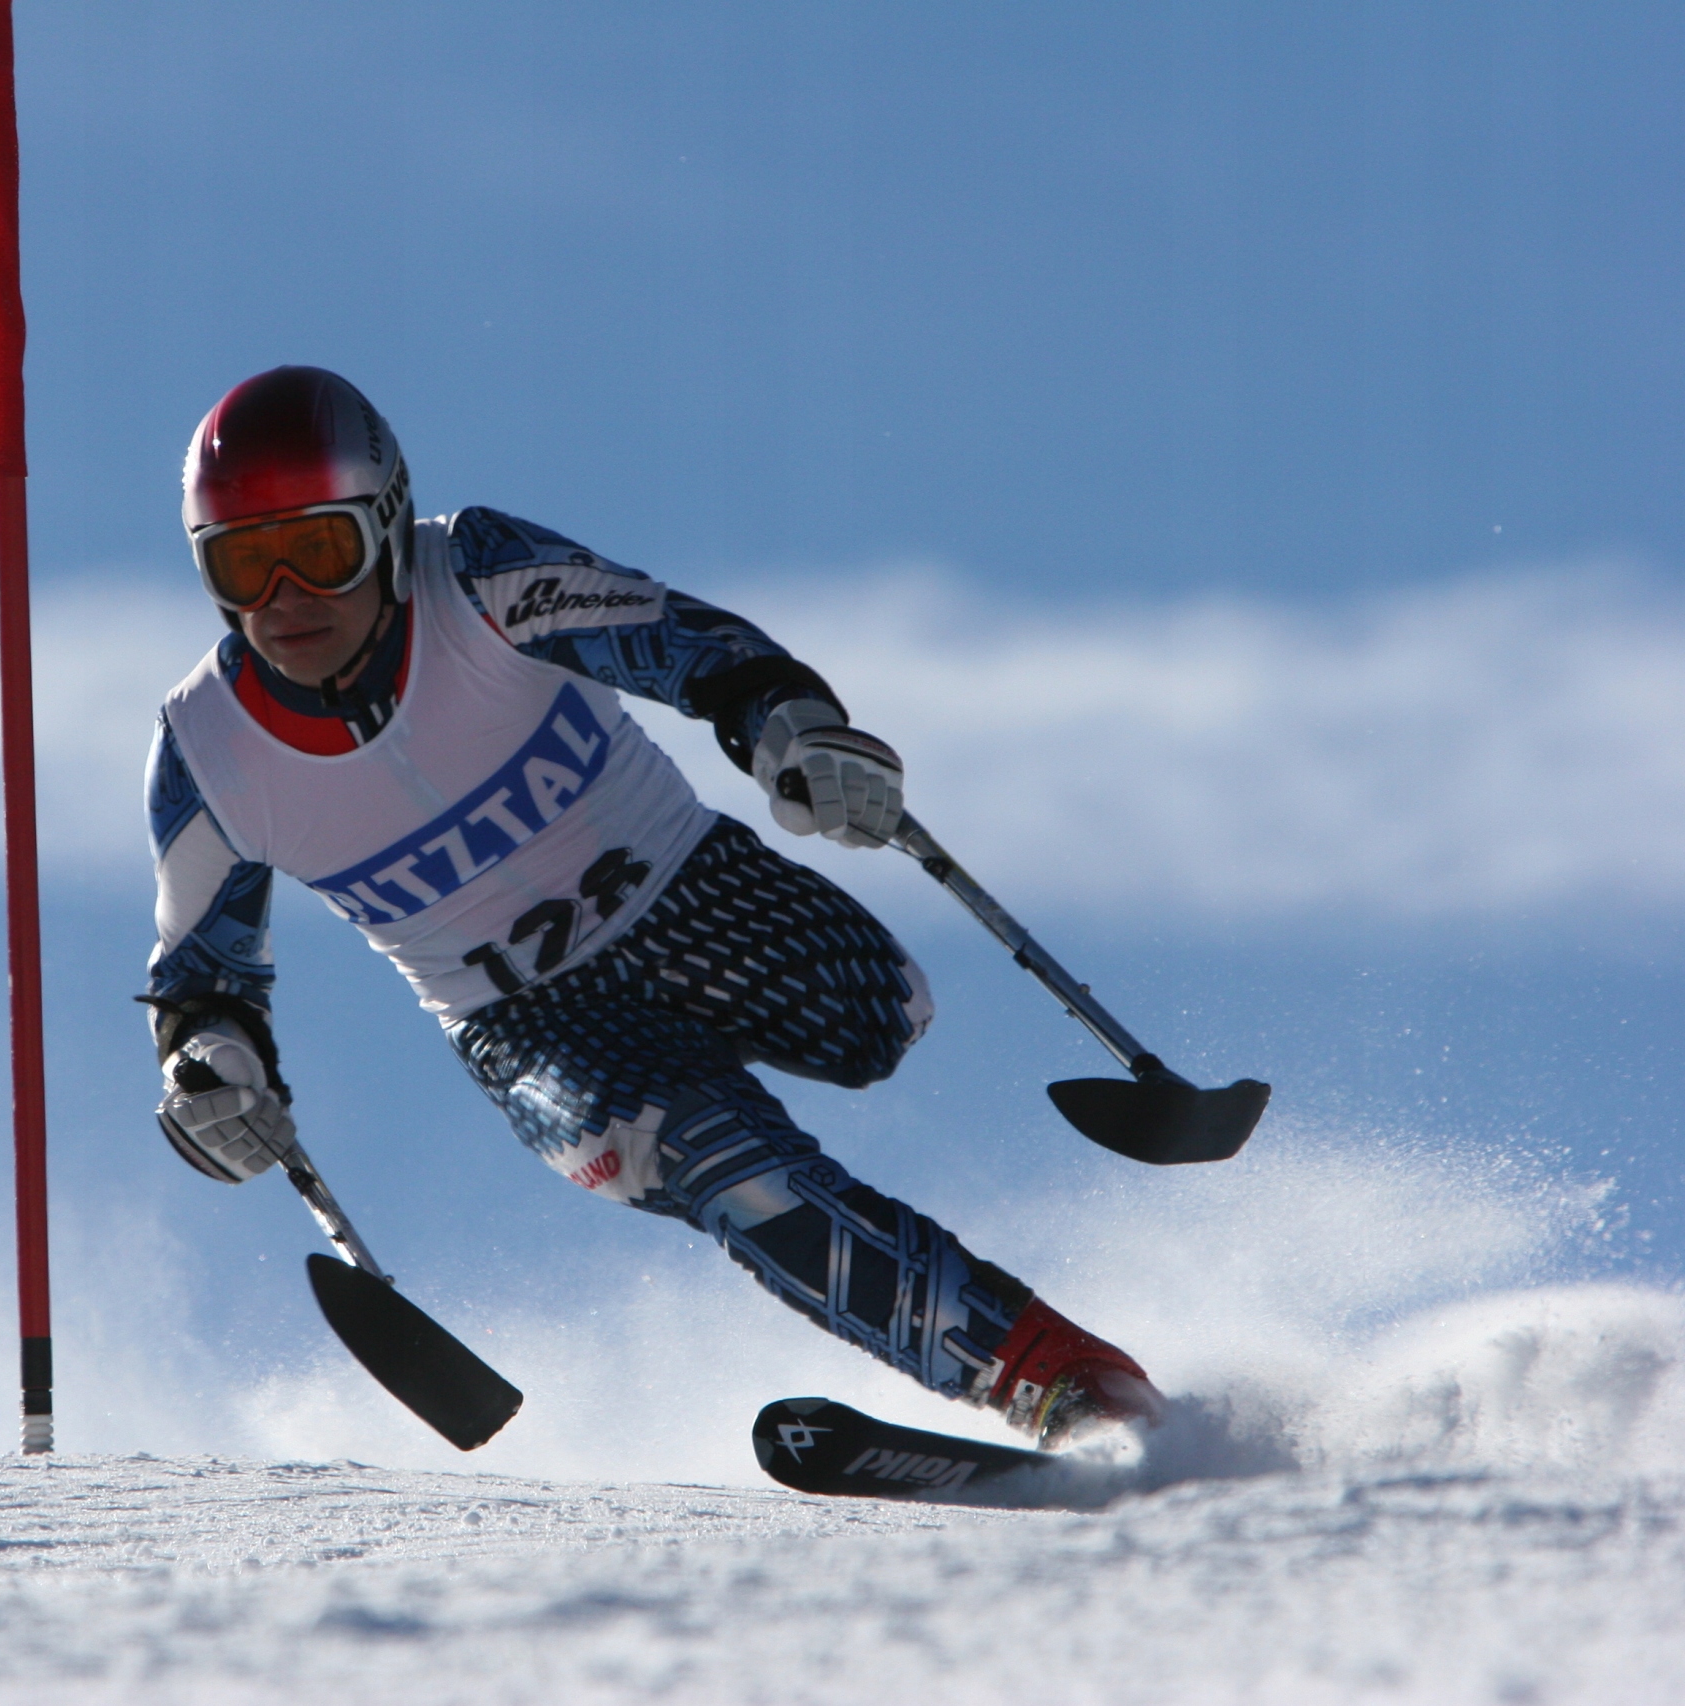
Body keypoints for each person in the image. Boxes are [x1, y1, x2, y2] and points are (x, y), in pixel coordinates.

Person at [141, 365, 1160, 1446]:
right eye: (244, 564)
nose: (286, 597)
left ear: (389, 528)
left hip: (689, 890)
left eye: (322, 549)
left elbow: (684, 644)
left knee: (879, 1018)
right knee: (725, 1163)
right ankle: (1053, 1378)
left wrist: (787, 724)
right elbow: (201, 980)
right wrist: (212, 1072)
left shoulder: (477, 574)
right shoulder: (210, 750)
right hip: (525, 1020)